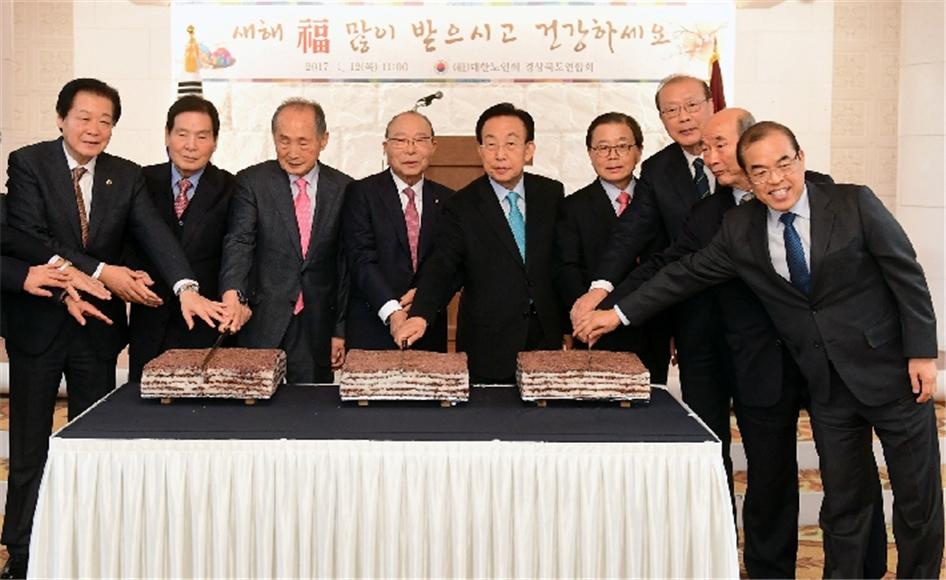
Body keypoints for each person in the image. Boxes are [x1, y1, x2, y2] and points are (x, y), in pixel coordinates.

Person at [575, 121, 942, 578]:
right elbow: (683, 274)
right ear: (748, 178)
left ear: (801, 159)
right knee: (843, 505)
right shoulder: (740, 228)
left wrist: (922, 353)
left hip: (892, 373)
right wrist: (617, 314)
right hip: (827, 386)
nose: (775, 180)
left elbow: (906, 276)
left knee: (917, 502)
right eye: (761, 172)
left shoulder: (853, 202)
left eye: (783, 164)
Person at [2, 77, 224, 578]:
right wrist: (100, 273)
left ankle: (89, 548)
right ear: (61, 118)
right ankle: (22, 552)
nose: (94, 128)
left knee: (95, 447)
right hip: (39, 327)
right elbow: (29, 238)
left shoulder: (124, 176)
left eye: (105, 121)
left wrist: (185, 286)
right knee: (30, 449)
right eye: (84, 117)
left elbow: (156, 234)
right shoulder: (29, 163)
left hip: (96, 333)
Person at [571, 74, 735, 488]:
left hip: (757, 322)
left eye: (692, 105)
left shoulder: (747, 153)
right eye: (671, 110)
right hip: (694, 321)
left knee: (769, 439)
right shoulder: (659, 170)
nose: (683, 117)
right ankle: (712, 521)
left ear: (711, 104)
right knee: (708, 436)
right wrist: (601, 290)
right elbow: (634, 235)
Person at [394, 102, 564, 383]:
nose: (500, 155)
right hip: (489, 344)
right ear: (480, 151)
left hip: (545, 337)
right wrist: (421, 314)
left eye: (511, 144)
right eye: (491, 144)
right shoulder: (462, 205)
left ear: (529, 150)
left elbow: (562, 263)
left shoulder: (551, 194)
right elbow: (443, 266)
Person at [219, 98, 352, 383]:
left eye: (303, 142)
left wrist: (339, 330)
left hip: (317, 325)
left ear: (324, 140)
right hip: (262, 319)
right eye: (284, 141)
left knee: (310, 405)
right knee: (256, 403)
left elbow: (345, 267)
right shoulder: (252, 182)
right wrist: (232, 294)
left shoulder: (344, 189)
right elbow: (239, 242)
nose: (293, 152)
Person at [126, 95, 237, 381]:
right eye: (182, 134)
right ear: (167, 135)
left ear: (215, 141)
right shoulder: (139, 181)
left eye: (202, 136)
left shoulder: (233, 188)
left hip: (207, 330)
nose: (191, 145)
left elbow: (240, 253)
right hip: (150, 326)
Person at [553, 112, 670, 383]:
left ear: (639, 151)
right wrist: (585, 319)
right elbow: (567, 269)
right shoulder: (572, 207)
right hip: (594, 332)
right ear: (590, 154)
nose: (612, 156)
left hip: (653, 327)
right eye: (603, 148)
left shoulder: (662, 202)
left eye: (622, 146)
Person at [341, 111, 454, 351]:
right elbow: (361, 259)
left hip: (427, 328)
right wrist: (393, 311)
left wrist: (423, 301)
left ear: (433, 146)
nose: (410, 150)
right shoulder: (361, 193)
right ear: (385, 147)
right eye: (400, 140)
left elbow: (448, 263)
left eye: (419, 140)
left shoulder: (449, 200)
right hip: (372, 327)